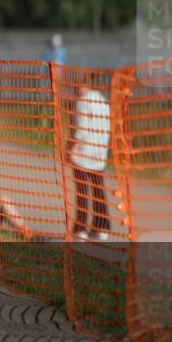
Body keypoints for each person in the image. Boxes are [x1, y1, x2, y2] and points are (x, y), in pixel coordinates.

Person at [69, 76, 111, 241]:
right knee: (98, 190)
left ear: (79, 86)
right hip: (100, 151)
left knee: (82, 191)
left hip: (83, 153)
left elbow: (82, 129)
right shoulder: (103, 101)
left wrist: (72, 148)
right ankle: (101, 226)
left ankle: (81, 229)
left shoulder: (83, 101)